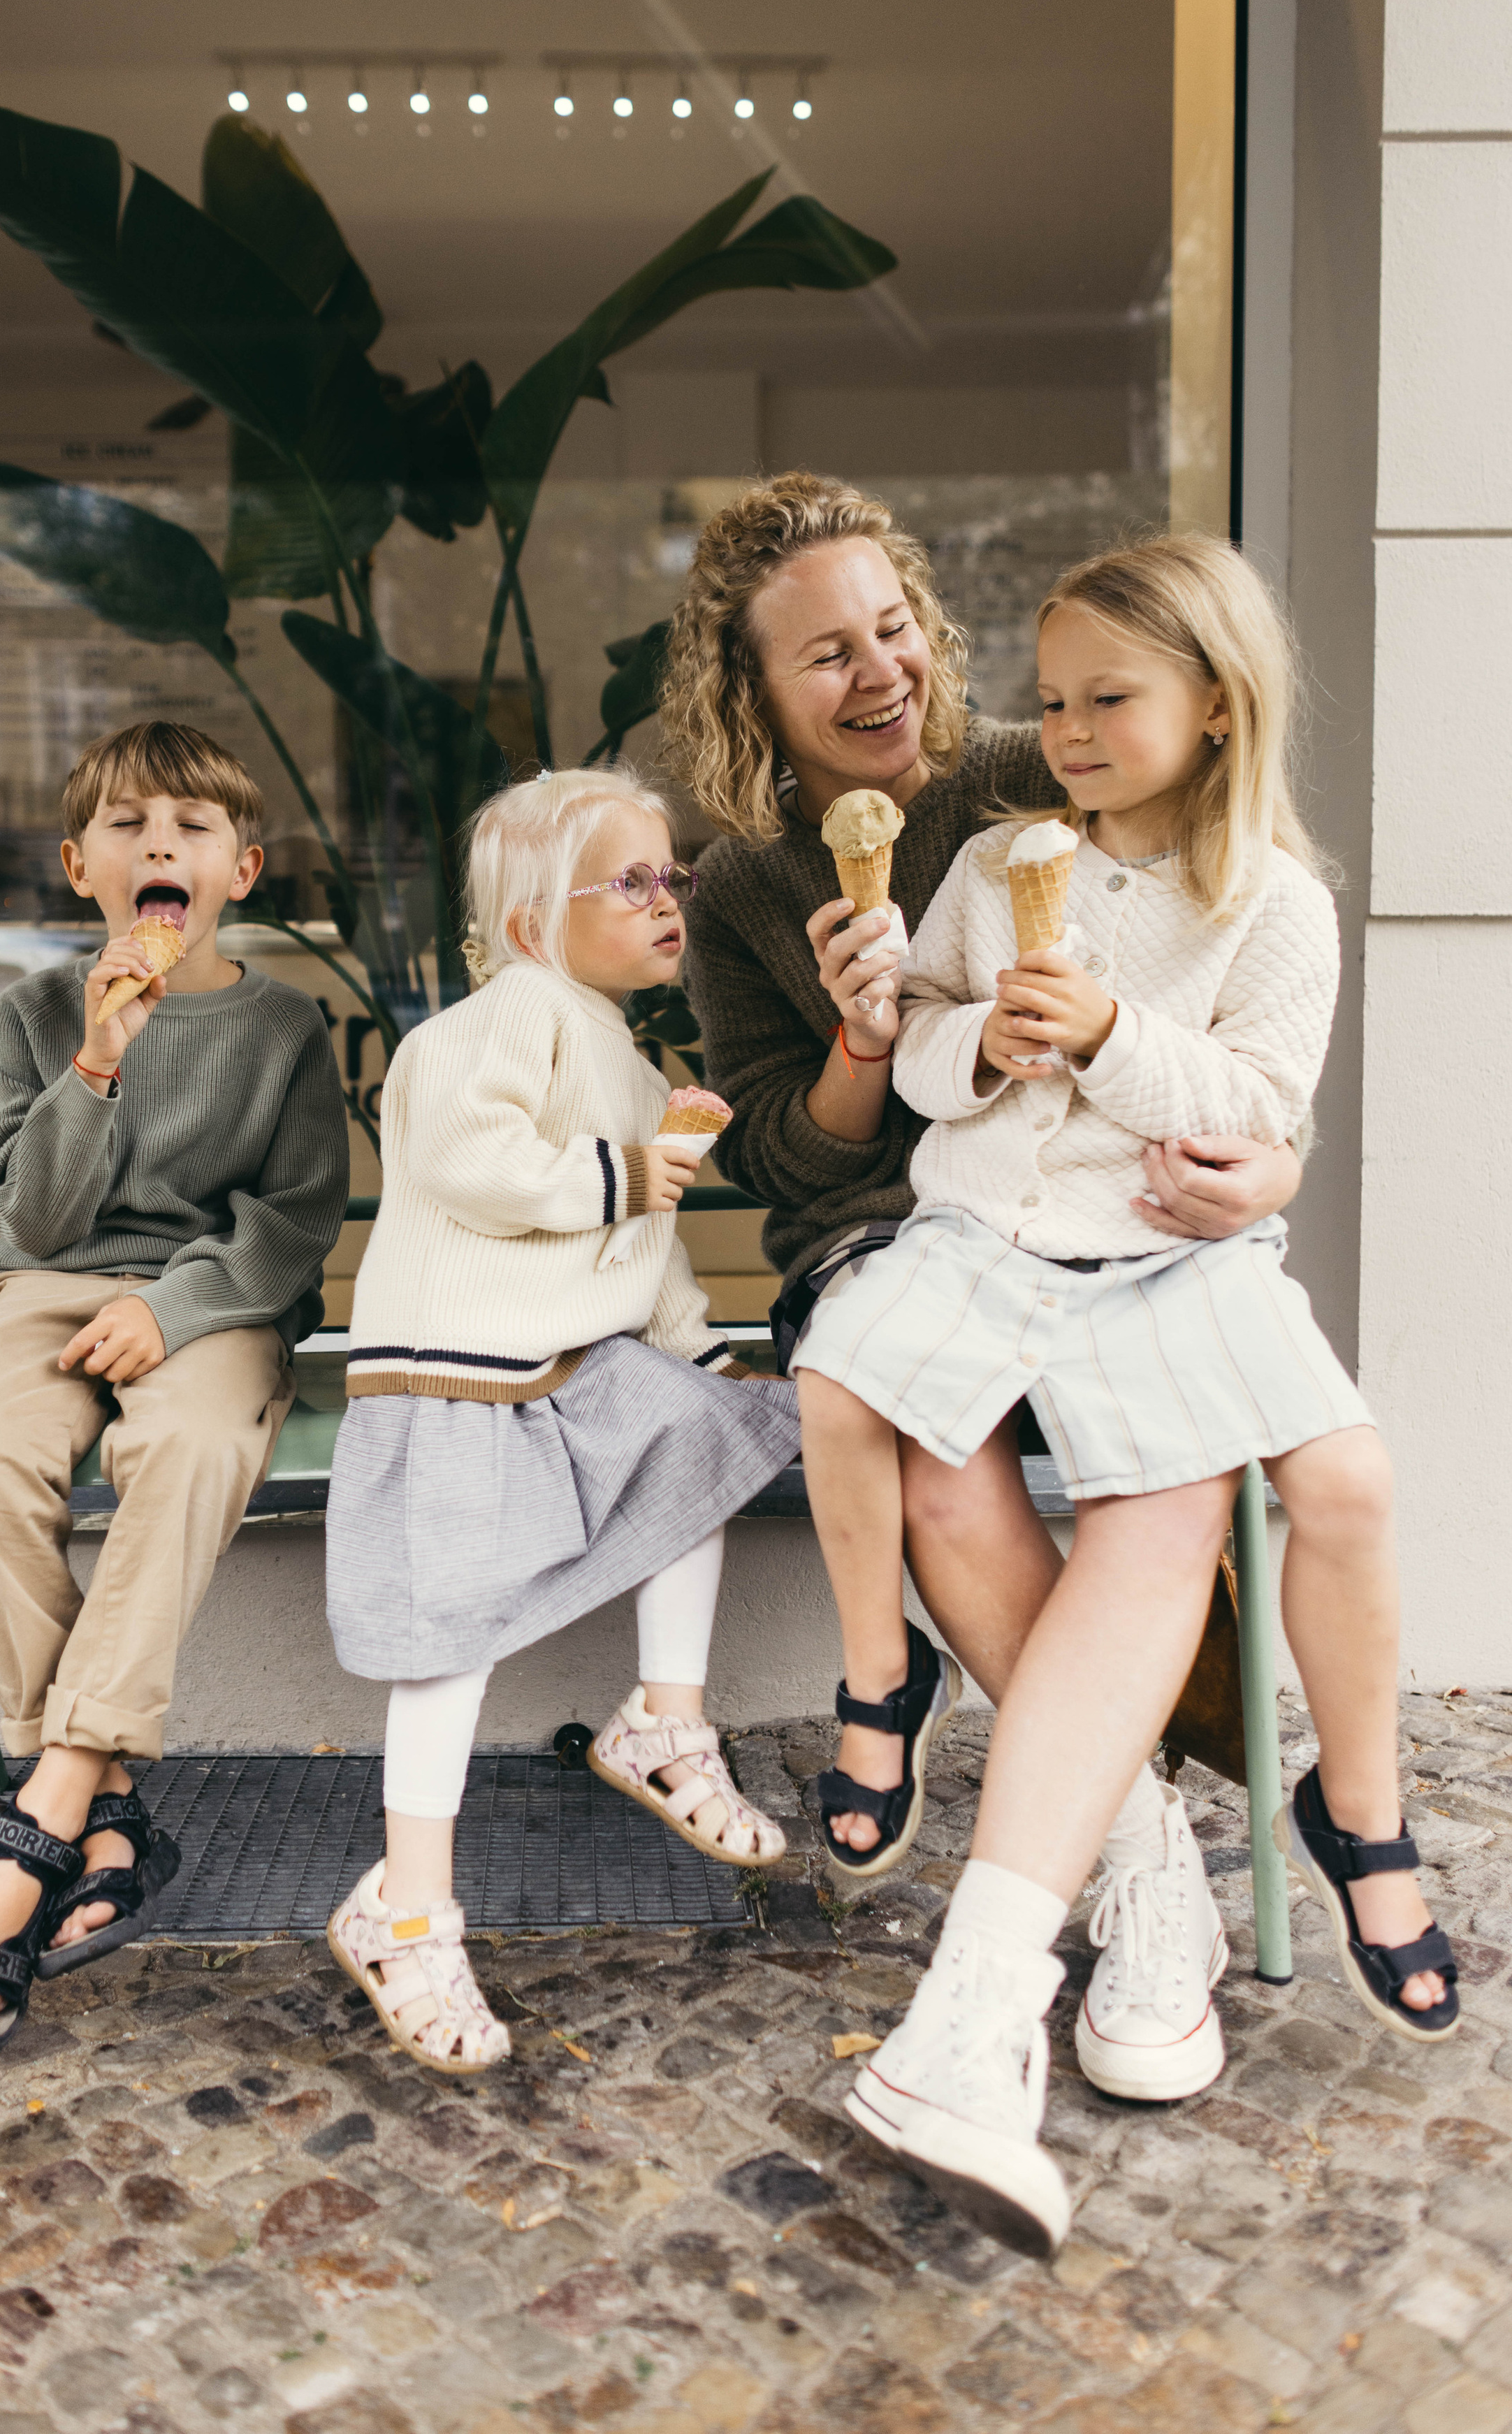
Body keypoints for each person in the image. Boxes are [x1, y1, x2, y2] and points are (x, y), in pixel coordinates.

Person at [792, 533, 1458, 2256]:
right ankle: (1126, 1849)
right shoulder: (1005, 857)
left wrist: (1097, 1038)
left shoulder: (1273, 905)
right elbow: (932, 1048)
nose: (1067, 727)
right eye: (1054, 694)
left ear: (1217, 710)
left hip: (1161, 1254)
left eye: (1111, 697)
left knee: (1267, 1492)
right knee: (908, 1443)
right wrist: (967, 1047)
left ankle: (1032, 1970)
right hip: (989, 1242)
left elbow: (1253, 1103)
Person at [663, 472, 1304, 2098]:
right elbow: (782, 1170)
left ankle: (1090, 1866)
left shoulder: (1044, 771)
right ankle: (1140, 1849)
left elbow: (1239, 965)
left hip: (1097, 1222)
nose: (878, 673)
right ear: (750, 693)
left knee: (1156, 1460)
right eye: (823, 655)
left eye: (891, 629)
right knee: (939, 1461)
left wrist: (1270, 1166)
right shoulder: (735, 878)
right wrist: (860, 1042)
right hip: (887, 1233)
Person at [324, 765, 801, 2073]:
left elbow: (651, 1254)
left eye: (674, 878)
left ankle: (664, 1716)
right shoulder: (509, 1017)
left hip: (571, 1372)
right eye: (632, 881)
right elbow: (458, 1150)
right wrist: (611, 1173)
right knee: (453, 1630)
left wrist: (701, 1352)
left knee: (697, 1444)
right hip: (457, 1378)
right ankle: (403, 1906)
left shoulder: (639, 1069)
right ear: (538, 920)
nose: (667, 900)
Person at [0, 722, 349, 2050]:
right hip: (50, 1287)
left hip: (215, 1291)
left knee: (196, 1446)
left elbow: (299, 1214)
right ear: (78, 866)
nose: (162, 842)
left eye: (194, 826)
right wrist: (97, 1057)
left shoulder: (283, 1026)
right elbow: (31, 1222)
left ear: (243, 869)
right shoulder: (34, 1017)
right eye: (131, 825)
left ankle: (41, 1816)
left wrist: (176, 1308)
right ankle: (95, 1807)